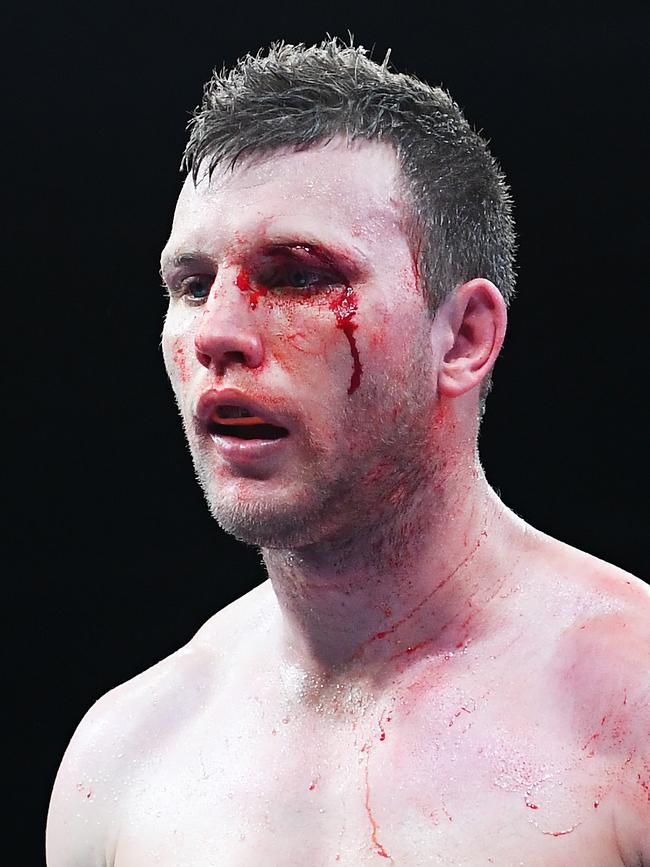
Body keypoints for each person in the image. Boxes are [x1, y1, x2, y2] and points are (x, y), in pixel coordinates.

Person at [46, 39, 649, 866]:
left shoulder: (631, 715)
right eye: (190, 284)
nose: (217, 332)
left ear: (464, 337)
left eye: (295, 275)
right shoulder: (123, 757)